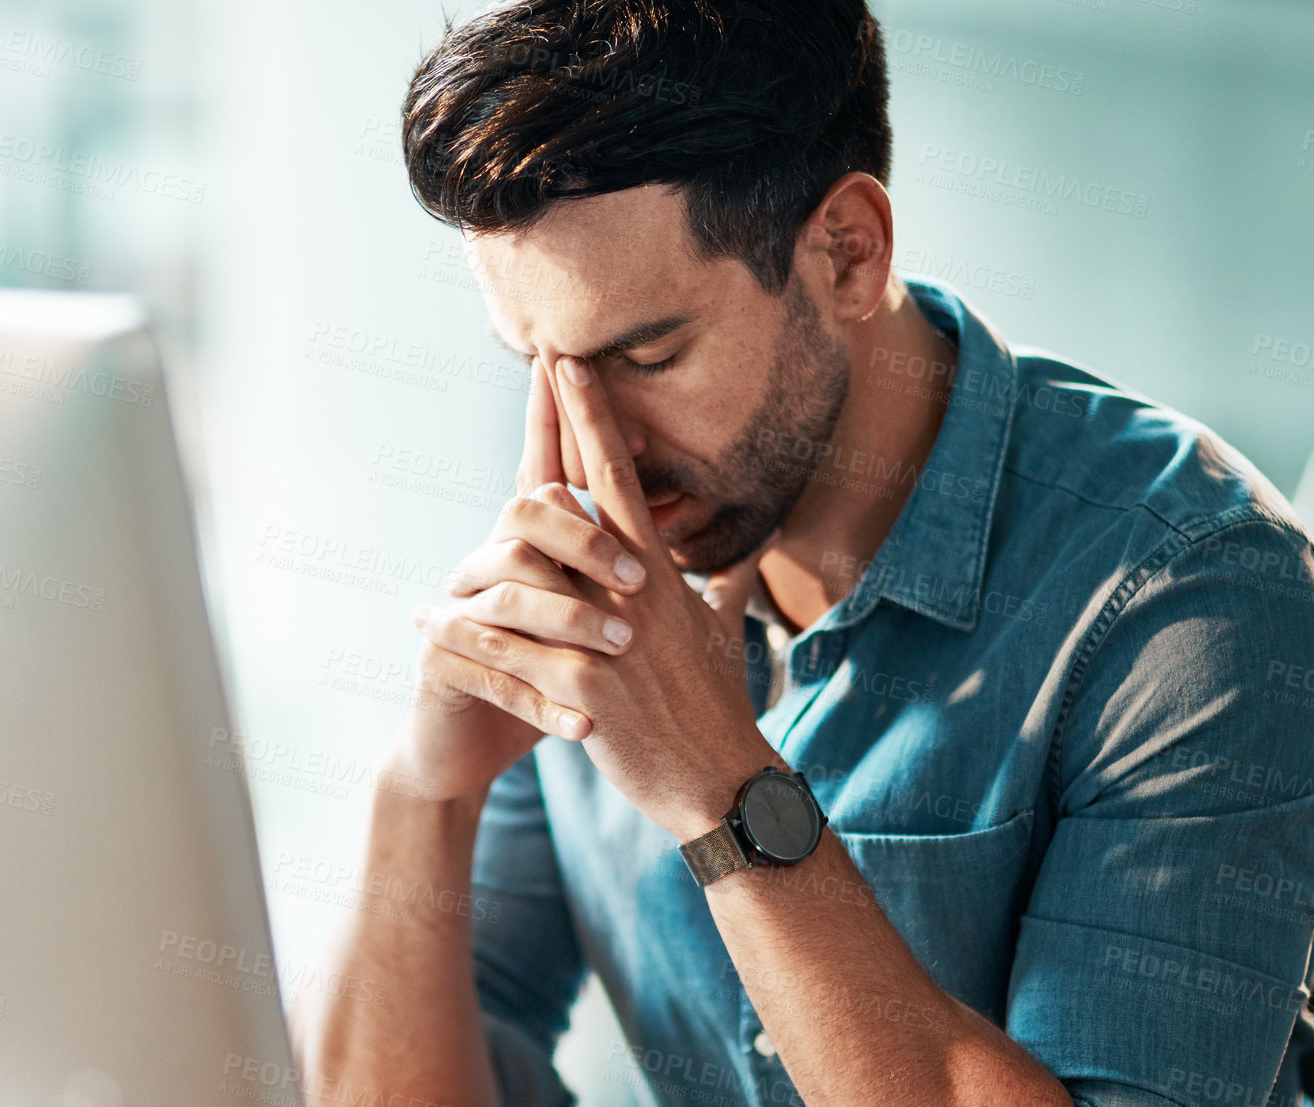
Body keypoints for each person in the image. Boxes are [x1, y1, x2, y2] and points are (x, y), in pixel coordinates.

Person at [291, 2, 1314, 1104]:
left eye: (647, 353)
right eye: (540, 365)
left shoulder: (1192, 598)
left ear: (846, 251)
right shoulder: (599, 564)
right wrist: (424, 794)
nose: (597, 454)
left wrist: (722, 793)